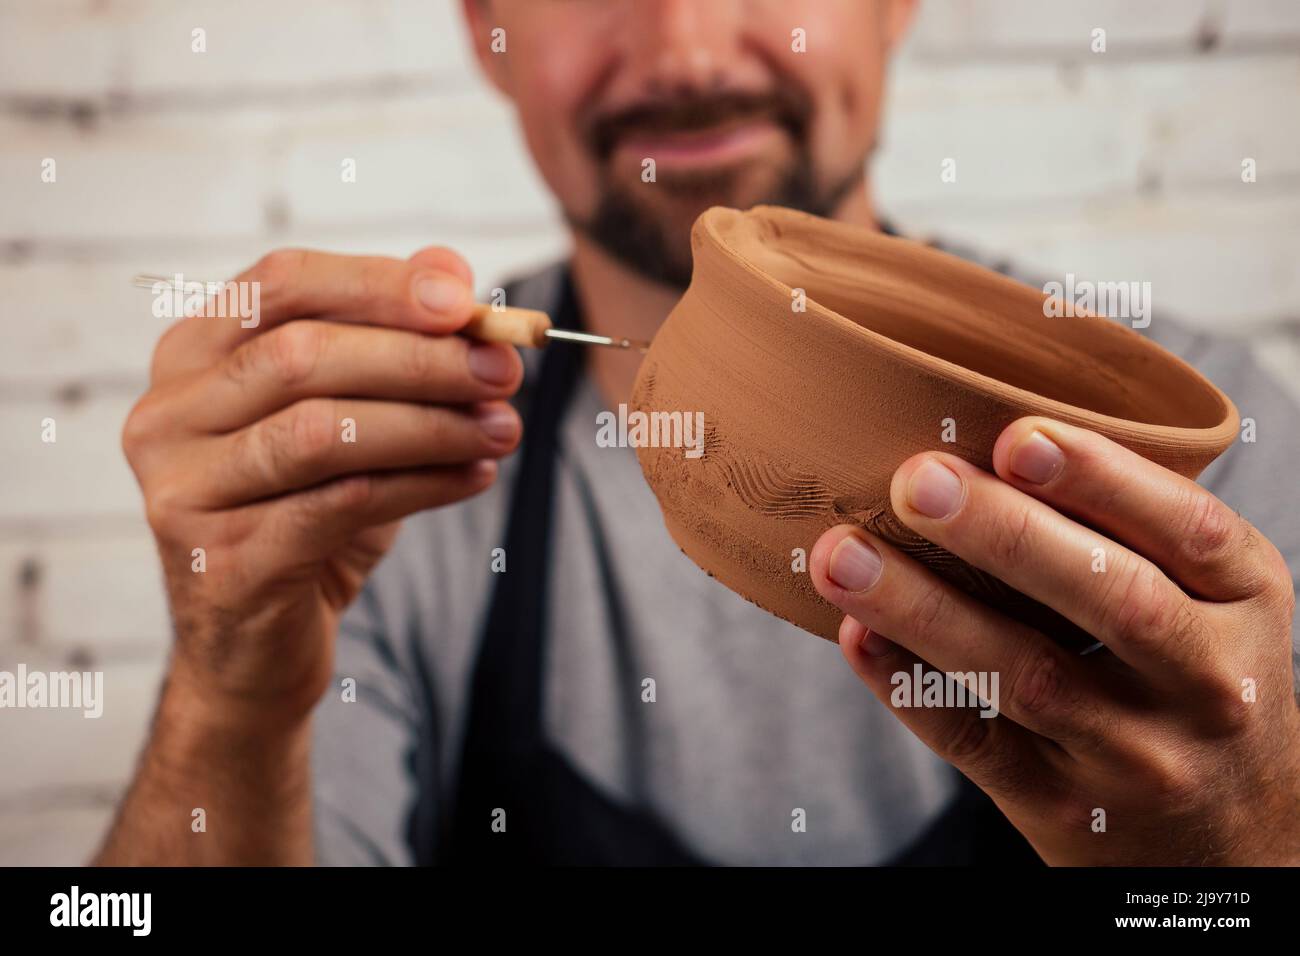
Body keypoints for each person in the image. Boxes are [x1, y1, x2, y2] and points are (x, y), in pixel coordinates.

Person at [96, 0, 1299, 866]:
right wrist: (229, 696)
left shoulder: (1206, 477)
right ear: (482, 27)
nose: (682, 45)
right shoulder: (377, 484)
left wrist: (1232, 853)